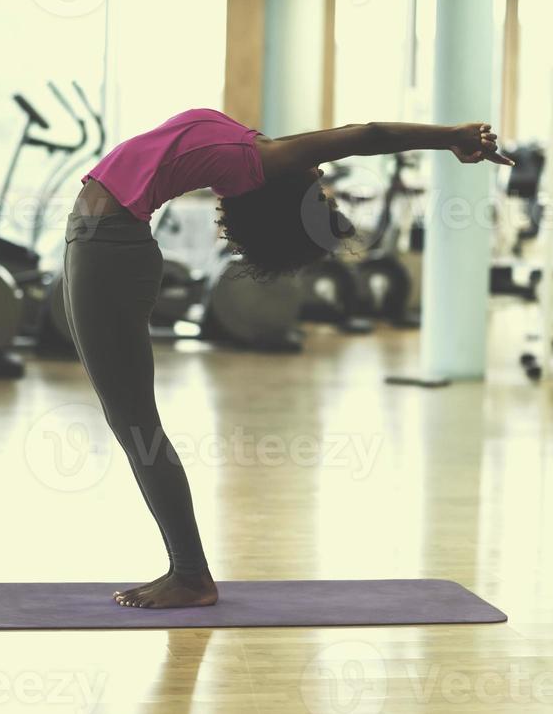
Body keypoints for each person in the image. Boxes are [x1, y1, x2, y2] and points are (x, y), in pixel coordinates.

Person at [63, 108, 512, 609]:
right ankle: (186, 571)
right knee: (129, 420)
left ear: (278, 193)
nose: (320, 172)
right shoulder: (252, 151)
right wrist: (448, 135)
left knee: (135, 424)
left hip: (109, 249)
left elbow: (367, 135)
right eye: (320, 189)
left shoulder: (262, 160)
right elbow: (359, 134)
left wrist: (450, 135)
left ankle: (190, 575)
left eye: (316, 192)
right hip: (99, 244)